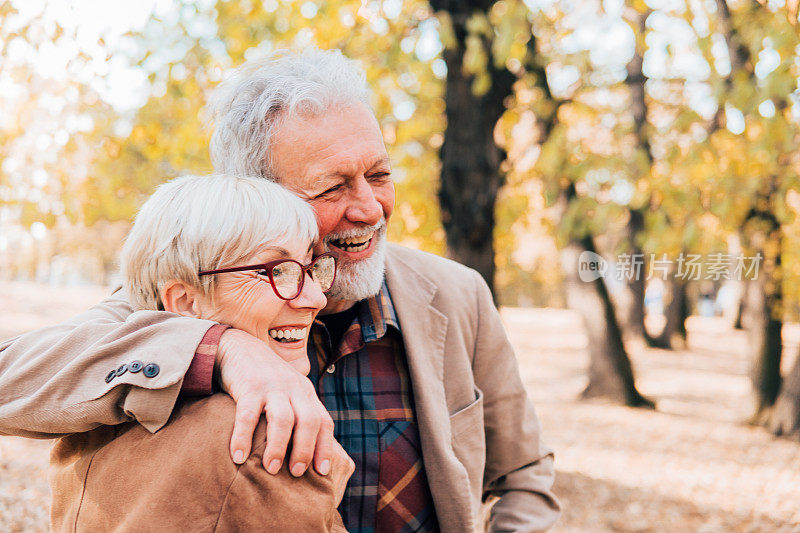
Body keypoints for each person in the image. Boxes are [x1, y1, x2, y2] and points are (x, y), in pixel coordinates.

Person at [0, 48, 560, 532]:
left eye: (380, 175)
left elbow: (524, 476)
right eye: (332, 186)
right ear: (260, 198)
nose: (369, 208)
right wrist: (221, 349)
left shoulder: (457, 294)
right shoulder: (185, 292)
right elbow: (11, 378)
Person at [50, 174, 353, 532]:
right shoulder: (262, 437)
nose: (316, 298)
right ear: (186, 302)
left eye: (309, 267)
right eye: (276, 270)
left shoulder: (91, 410)